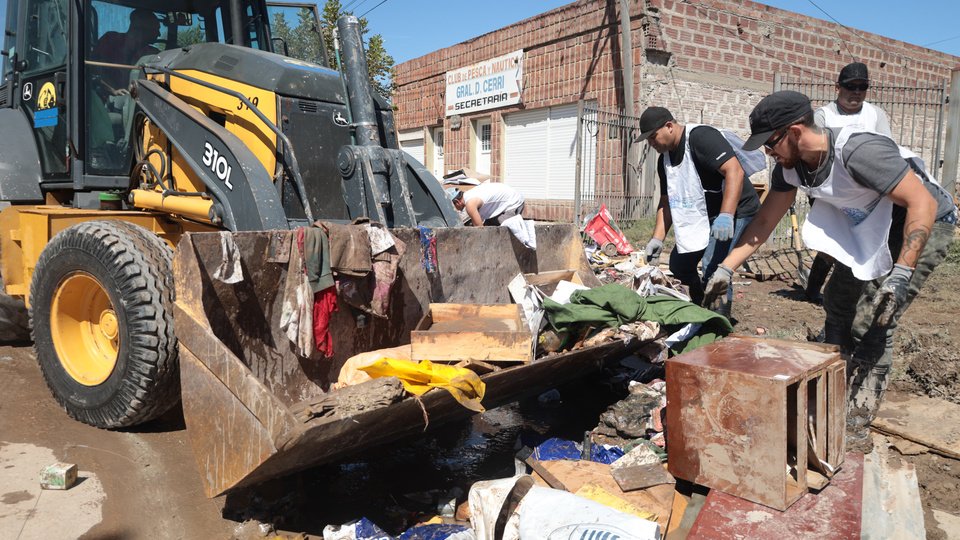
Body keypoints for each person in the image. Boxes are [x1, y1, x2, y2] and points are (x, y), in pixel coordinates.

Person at [703, 91, 958, 450]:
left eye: (770, 143)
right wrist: (726, 268)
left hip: (921, 221)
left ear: (794, 131)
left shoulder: (858, 151)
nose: (768, 153)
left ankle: (856, 421)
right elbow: (764, 219)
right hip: (871, 223)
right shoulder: (790, 166)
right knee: (837, 302)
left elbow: (923, 202)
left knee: (874, 317)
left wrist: (901, 273)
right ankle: (832, 392)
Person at [638, 106, 761, 309]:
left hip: (736, 210)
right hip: (706, 213)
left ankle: (718, 321)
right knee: (680, 265)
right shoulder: (665, 161)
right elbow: (666, 201)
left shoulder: (700, 138)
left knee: (714, 267)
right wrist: (657, 239)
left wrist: (726, 215)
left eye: (652, 137)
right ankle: (700, 305)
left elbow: (735, 172)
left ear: (669, 126)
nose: (651, 144)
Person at [805, 62, 894, 302]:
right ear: (837, 87)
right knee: (831, 243)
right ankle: (813, 290)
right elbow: (815, 156)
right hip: (830, 192)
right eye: (850, 86)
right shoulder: (824, 116)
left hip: (866, 194)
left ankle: (851, 294)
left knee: (861, 241)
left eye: (862, 87)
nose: (856, 92)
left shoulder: (875, 115)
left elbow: (886, 151)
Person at [91, 9, 162, 94]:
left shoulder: (153, 53)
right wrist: (111, 90)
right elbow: (92, 70)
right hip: (104, 100)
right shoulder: (110, 41)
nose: (159, 34)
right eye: (156, 29)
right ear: (140, 28)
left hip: (135, 103)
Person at [446, 182, 525, 227]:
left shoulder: (470, 204)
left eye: (453, 206)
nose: (455, 209)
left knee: (504, 229)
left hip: (514, 202)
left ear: (457, 201)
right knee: (489, 226)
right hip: (507, 200)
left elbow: (479, 228)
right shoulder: (469, 194)